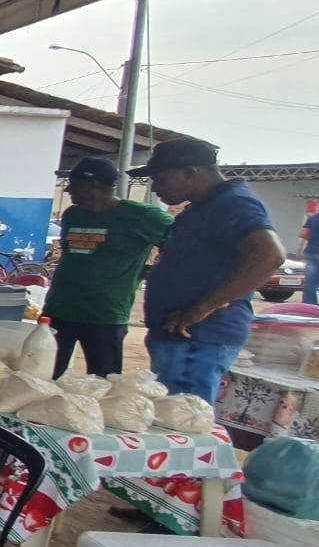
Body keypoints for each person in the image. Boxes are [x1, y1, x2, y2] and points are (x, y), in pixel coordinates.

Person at [134, 139, 285, 401]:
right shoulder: (203, 207)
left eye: (160, 179)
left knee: (183, 423)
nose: (155, 188)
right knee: (170, 420)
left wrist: (203, 307)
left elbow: (270, 255)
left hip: (199, 339)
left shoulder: (234, 203)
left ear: (191, 172)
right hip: (181, 339)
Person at [43, 157, 173, 378]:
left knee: (104, 381)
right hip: (59, 309)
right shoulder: (72, 215)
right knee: (44, 374)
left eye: (72, 185)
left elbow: (183, 246)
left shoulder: (142, 216)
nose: (68, 191)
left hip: (105, 315)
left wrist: (150, 272)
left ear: (90, 186)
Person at [302, 209, 319, 307]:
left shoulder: (313, 218)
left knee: (310, 282)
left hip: (311, 252)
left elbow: (303, 233)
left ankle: (308, 306)